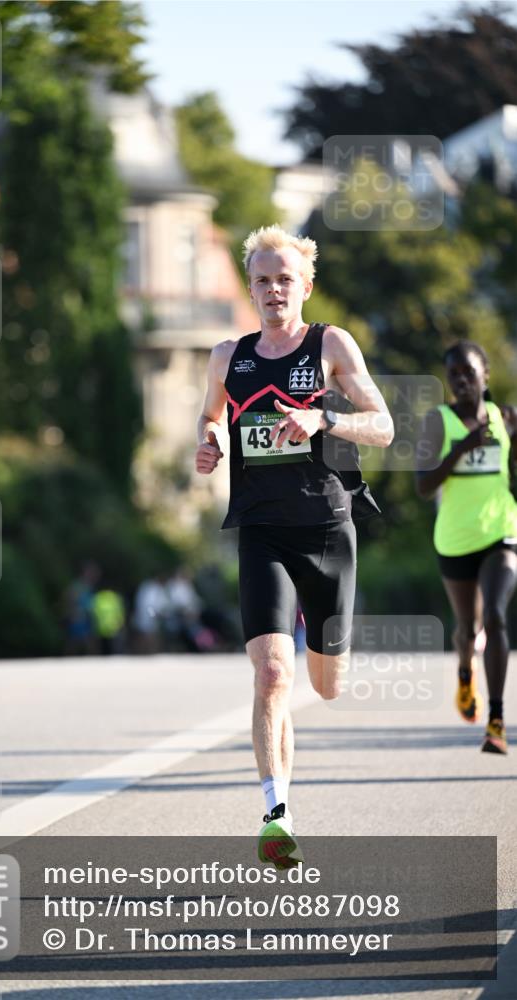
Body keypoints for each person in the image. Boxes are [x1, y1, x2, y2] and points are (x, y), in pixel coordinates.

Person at [195, 224, 393, 867]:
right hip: (262, 531)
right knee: (273, 673)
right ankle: (276, 814)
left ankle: (320, 674)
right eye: (262, 280)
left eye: (285, 279)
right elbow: (210, 415)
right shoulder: (228, 357)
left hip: (329, 529)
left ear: (305, 285)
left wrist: (322, 417)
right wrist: (211, 441)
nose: (274, 290)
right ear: (250, 288)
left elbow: (384, 427)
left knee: (325, 684)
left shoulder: (330, 344)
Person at [416, 340, 517, 754]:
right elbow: (423, 486)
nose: (461, 381)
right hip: (455, 539)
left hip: (501, 532)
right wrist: (462, 448)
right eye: (453, 375)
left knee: (494, 615)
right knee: (467, 630)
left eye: (468, 373)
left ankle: (496, 721)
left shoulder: (506, 418)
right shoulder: (437, 422)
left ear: (485, 375)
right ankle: (464, 669)